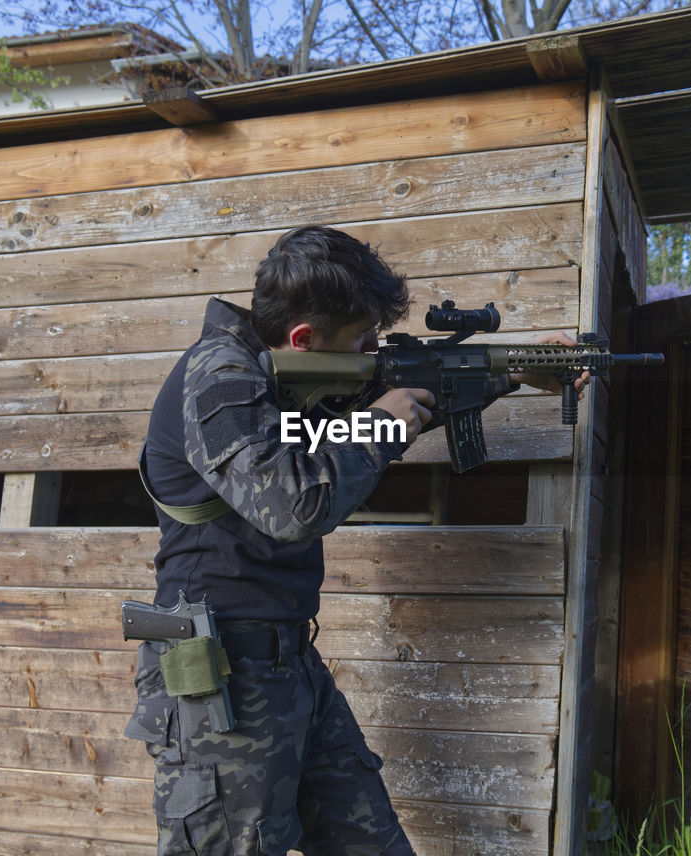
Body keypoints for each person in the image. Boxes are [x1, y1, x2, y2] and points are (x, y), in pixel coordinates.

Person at [124, 225, 584, 856]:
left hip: (289, 666)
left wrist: (522, 366)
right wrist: (378, 428)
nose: (374, 351)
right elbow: (292, 504)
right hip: (222, 680)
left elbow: (407, 386)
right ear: (304, 339)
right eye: (363, 338)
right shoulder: (219, 380)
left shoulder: (289, 379)